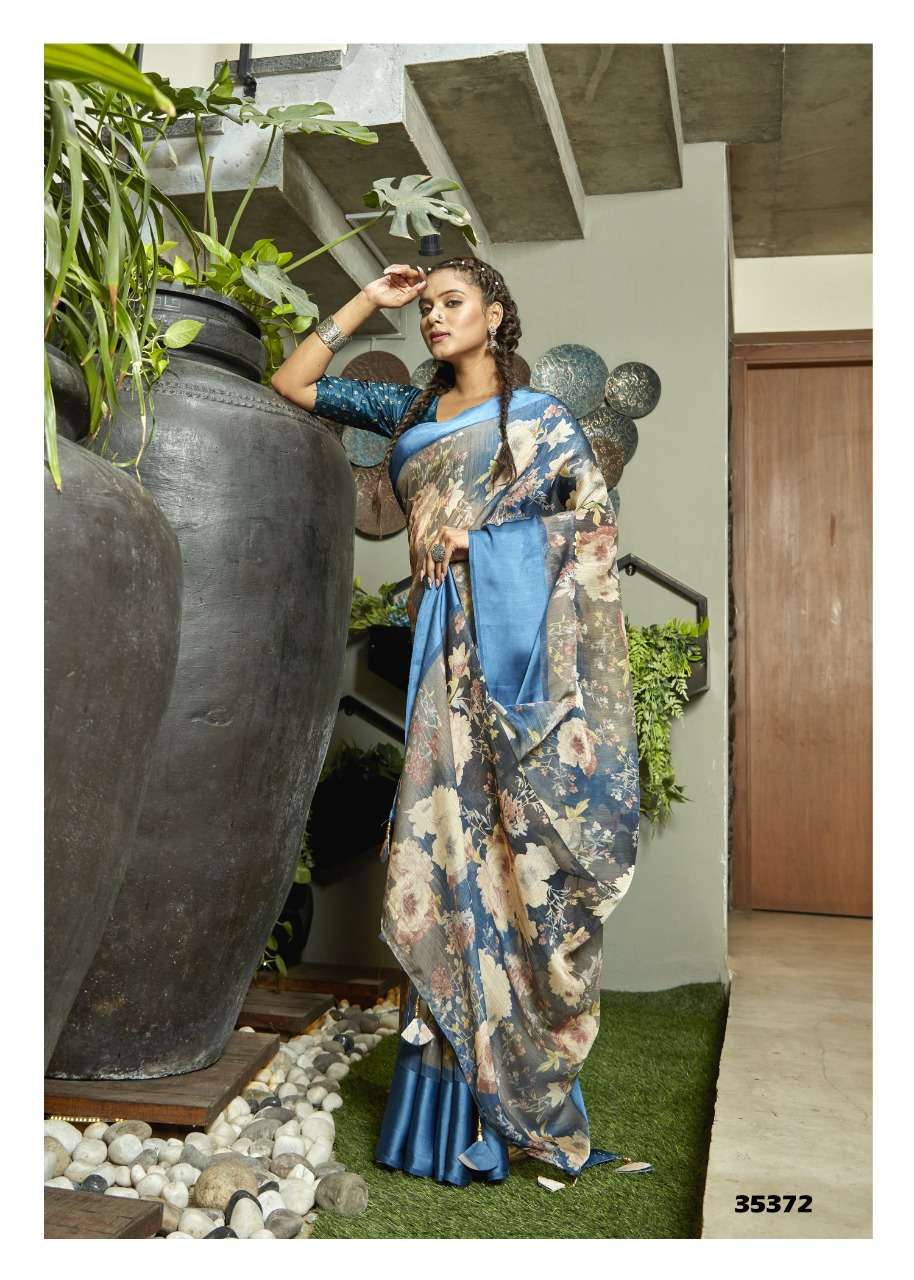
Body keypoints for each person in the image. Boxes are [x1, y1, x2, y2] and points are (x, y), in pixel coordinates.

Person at [271, 257, 640, 1187]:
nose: (434, 317)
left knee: (513, 856)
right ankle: (438, 1103)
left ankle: (520, 1084)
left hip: (514, 671)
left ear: (495, 312)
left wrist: (479, 540)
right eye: (426, 306)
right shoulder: (406, 411)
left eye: (451, 302)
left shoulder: (542, 420)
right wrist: (369, 301)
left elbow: (594, 531)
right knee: (442, 850)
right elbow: (294, 383)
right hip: (438, 661)